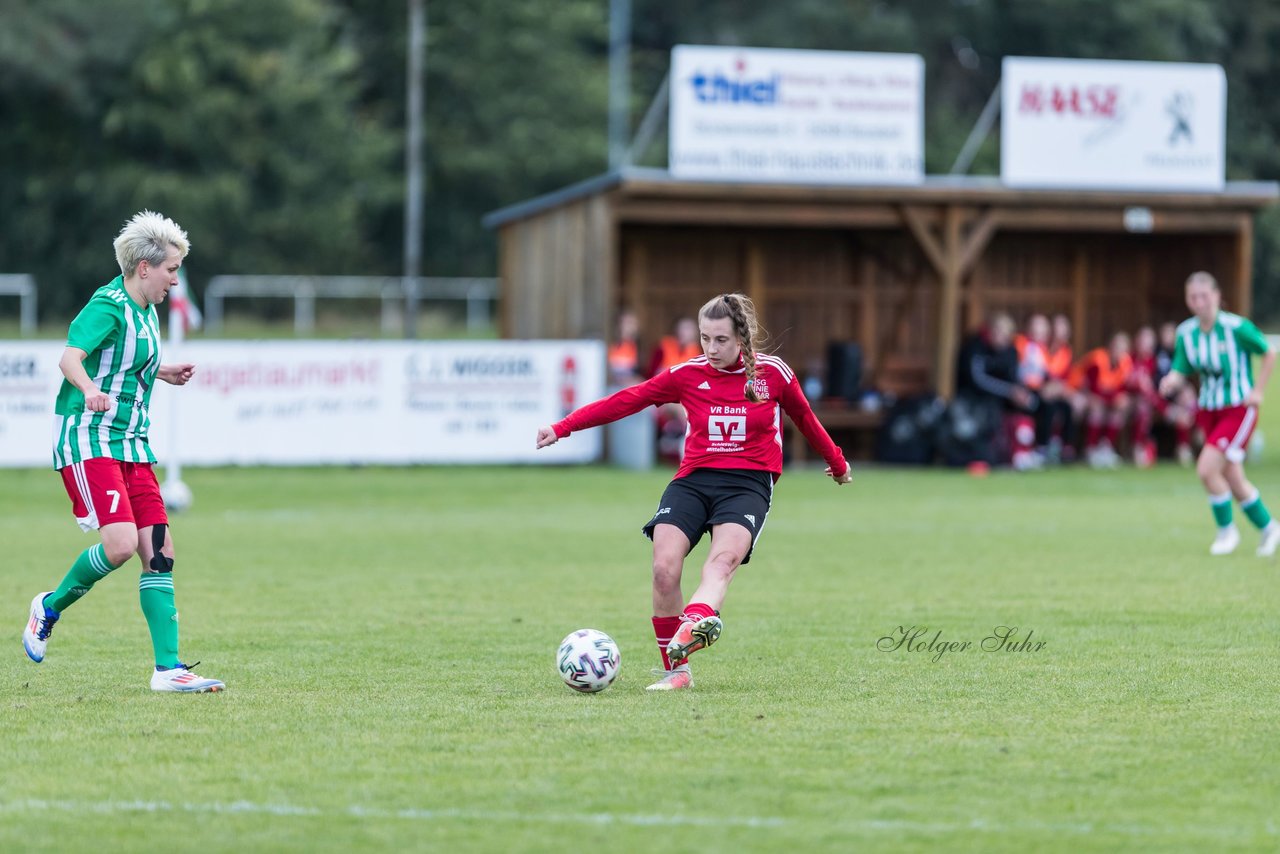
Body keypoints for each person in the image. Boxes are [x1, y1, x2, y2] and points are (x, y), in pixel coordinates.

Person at [536, 293, 851, 691]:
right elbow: (627, 400)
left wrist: (837, 463)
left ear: (742, 337)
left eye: (721, 339)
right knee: (663, 570)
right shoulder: (687, 374)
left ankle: (693, 624)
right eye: (705, 338)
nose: (711, 348)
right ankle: (678, 670)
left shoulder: (772, 374)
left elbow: (805, 417)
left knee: (720, 564)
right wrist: (563, 427)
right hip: (694, 480)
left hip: (748, 484)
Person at [22, 211, 224, 692]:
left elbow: (129, 360)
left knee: (158, 551)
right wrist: (89, 388)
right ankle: (47, 608)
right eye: (172, 270)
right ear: (144, 268)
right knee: (119, 545)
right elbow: (70, 357)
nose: (175, 279)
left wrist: (163, 371)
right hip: (89, 438)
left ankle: (168, 670)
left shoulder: (148, 312)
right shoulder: (107, 305)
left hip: (132, 443)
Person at [1159, 271, 1280, 556]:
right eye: (1193, 297)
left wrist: (1258, 390)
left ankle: (1227, 532)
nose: (1199, 302)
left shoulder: (1236, 327)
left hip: (1238, 409)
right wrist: (1171, 380)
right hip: (1208, 409)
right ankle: (1269, 528)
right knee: (1233, 478)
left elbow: (1268, 352)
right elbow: (1182, 366)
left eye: (1204, 296)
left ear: (1216, 296)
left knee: (1206, 469)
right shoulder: (1186, 333)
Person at [955, 312, 1039, 470]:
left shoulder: (1011, 351)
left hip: (1002, 399)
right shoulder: (975, 347)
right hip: (973, 400)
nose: (1001, 339)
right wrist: (1009, 391)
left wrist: (1021, 394)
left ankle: (1025, 451)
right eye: (998, 333)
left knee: (1034, 403)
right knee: (990, 413)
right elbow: (978, 381)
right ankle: (992, 456)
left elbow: (1013, 378)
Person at [1069, 331, 1134, 468]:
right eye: (1117, 347)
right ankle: (1090, 449)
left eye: (1123, 348)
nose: (1120, 351)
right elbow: (1093, 388)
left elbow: (1122, 388)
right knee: (1097, 408)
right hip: (1078, 391)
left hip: (1103, 398)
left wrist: (1119, 399)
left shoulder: (1125, 363)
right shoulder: (1098, 359)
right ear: (1111, 346)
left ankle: (1106, 447)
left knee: (1119, 409)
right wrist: (1113, 399)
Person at [1016, 313, 1074, 463]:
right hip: (1023, 389)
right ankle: (1040, 448)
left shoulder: (1044, 349)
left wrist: (1055, 387)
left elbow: (1047, 373)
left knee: (1065, 406)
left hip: (1040, 389)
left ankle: (1062, 447)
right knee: (1047, 405)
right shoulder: (1021, 343)